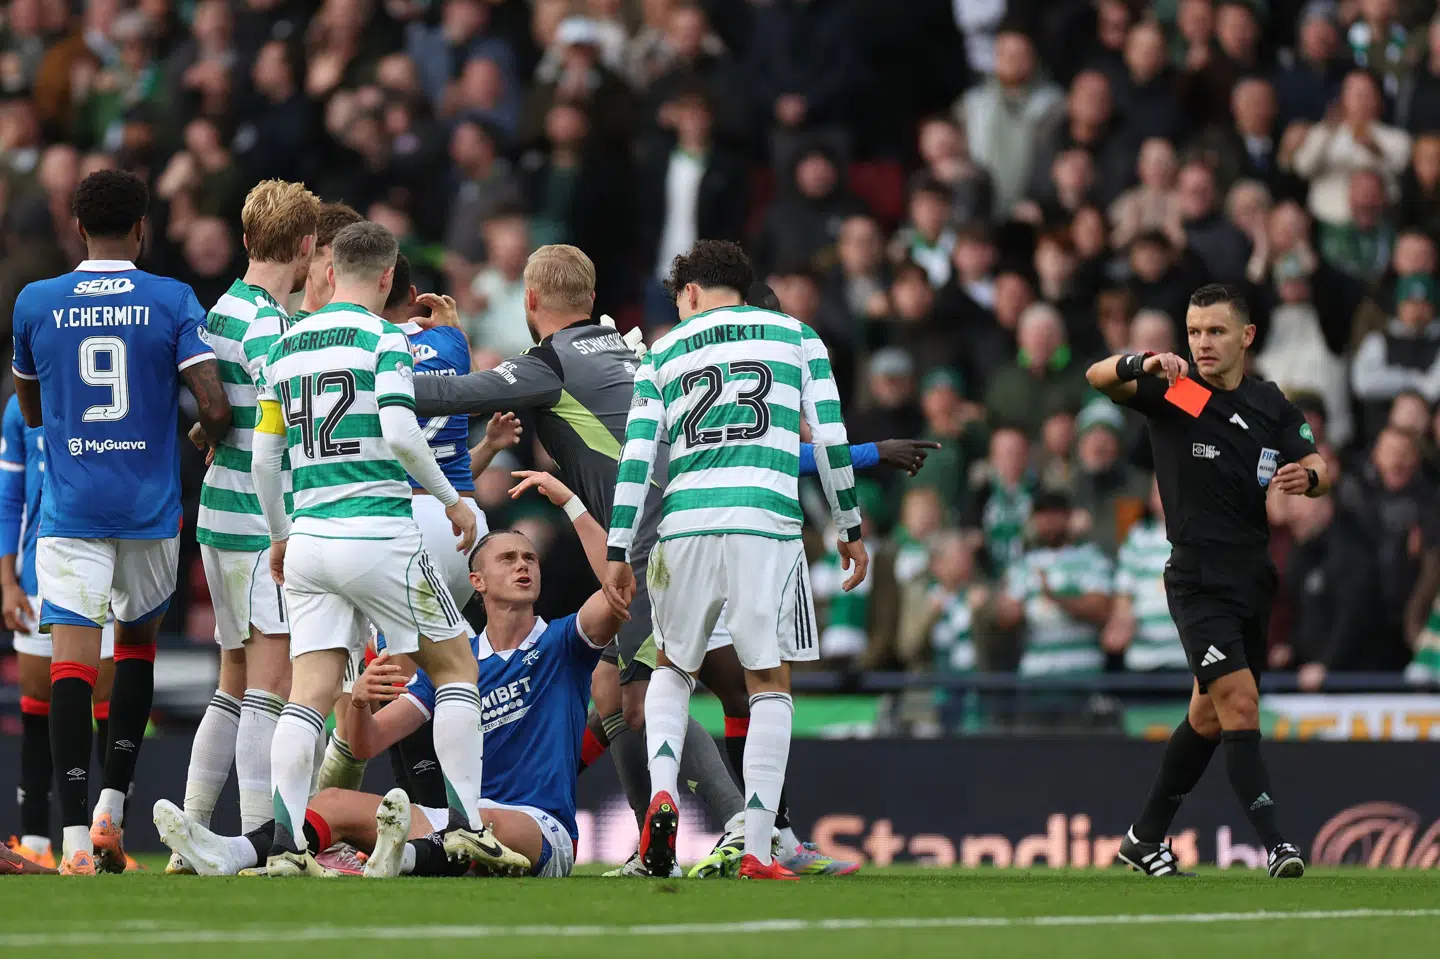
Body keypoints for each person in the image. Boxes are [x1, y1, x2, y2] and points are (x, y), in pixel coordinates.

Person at [408, 244, 932, 875]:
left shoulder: (553, 363)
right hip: (725, 523)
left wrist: (392, 367)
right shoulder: (638, 351)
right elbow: (746, 447)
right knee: (661, 690)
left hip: (656, 542)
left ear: (530, 301)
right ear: (593, 298)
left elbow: (451, 395)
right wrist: (868, 456)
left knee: (659, 695)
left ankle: (742, 829)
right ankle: (741, 835)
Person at [153, 471, 624, 879]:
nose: (523, 565)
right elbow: (365, 744)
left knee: (481, 820)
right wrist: (356, 701)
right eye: (508, 559)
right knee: (333, 800)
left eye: (530, 559)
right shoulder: (455, 663)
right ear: (476, 581)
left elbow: (619, 585)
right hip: (460, 822)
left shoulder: (563, 642)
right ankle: (231, 851)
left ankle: (396, 859)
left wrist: (570, 502)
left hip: (542, 830)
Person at [247, 221, 521, 877]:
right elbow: (400, 432)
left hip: (310, 535)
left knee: (309, 691)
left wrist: (281, 533)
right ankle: (467, 826)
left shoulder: (285, 345)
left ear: (332, 269)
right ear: (388, 278)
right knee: (457, 667)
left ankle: (286, 842)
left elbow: (264, 455)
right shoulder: (385, 338)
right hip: (375, 528)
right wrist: (453, 499)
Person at [602, 239, 866, 880]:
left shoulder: (664, 350)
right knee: (767, 681)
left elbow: (638, 459)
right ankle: (756, 847)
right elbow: (830, 440)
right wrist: (850, 523)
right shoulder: (797, 338)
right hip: (766, 523)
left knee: (672, 667)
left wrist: (617, 547)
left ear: (690, 293)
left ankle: (662, 794)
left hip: (683, 526)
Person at [9, 169, 232, 875]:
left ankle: (72, 841)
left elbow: (34, 410)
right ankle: (113, 805)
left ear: (78, 227)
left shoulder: (36, 302)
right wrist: (194, 437)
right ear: (142, 228)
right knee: (134, 646)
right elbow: (215, 406)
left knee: (72, 662)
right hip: (148, 509)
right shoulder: (170, 299)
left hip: (71, 508)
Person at [1086, 282, 1331, 879]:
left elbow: (1319, 460)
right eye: (1194, 332)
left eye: (1215, 331)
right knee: (1241, 703)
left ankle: (1143, 839)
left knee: (1208, 717)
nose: (1202, 343)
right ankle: (1276, 845)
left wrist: (1311, 480)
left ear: (1246, 336)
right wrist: (1141, 361)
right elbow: (1098, 378)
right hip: (1197, 580)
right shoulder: (1179, 393)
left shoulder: (1270, 403)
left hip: (1254, 579)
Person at [174, 181, 319, 874]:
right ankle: (258, 842)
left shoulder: (222, 309)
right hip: (265, 523)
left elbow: (217, 410)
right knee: (270, 683)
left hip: (217, 515)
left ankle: (193, 827)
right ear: (304, 247)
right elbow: (289, 417)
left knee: (232, 680)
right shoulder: (269, 328)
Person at [2, 393, 116, 870]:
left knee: (106, 703)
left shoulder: (109, 396)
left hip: (104, 569)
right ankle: (35, 839)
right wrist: (7, 582)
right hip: (35, 580)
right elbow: (9, 499)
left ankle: (109, 832)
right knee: (38, 702)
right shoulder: (19, 408)